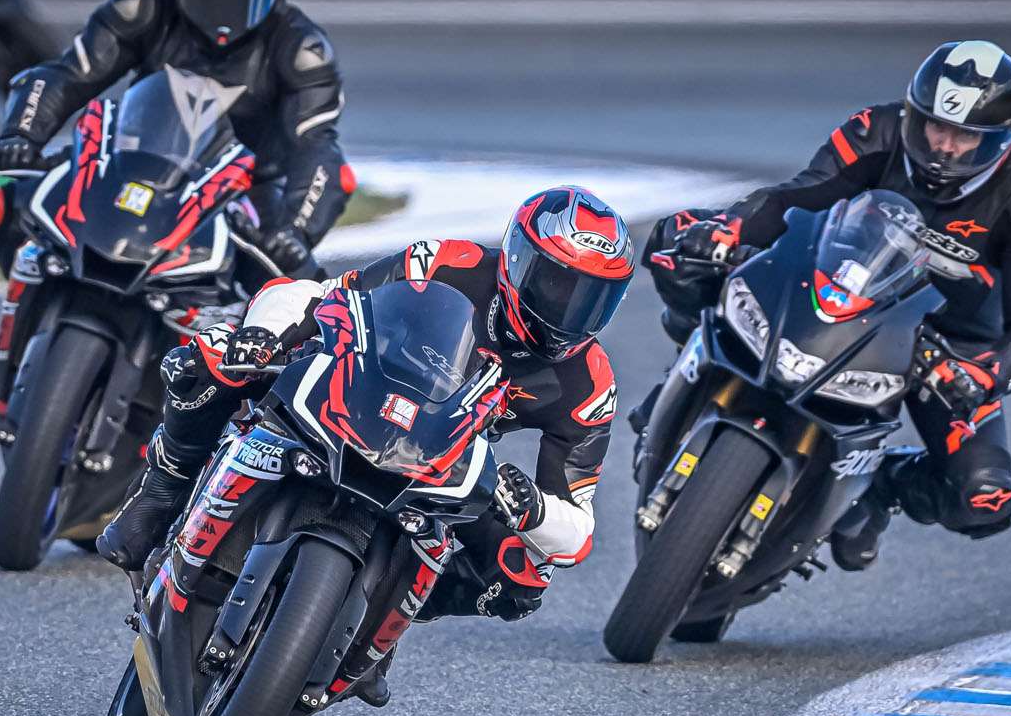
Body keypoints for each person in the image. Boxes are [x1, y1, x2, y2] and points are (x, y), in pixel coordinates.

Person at [98, 186, 632, 640]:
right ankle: (159, 493)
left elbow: (577, 527)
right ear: (517, 260)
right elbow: (321, 295)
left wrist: (532, 509)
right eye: (559, 284)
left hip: (447, 451)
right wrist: (264, 339)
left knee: (524, 577)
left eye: (595, 298)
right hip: (357, 390)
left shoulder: (588, 382)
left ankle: (373, 619)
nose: (571, 311)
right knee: (211, 359)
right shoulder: (448, 262)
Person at [641, 40, 1011, 569]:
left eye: (965, 136)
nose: (944, 147)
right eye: (935, 126)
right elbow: (797, 197)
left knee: (985, 497)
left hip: (945, 347)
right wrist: (728, 229)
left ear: (999, 140)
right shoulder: (875, 130)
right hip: (840, 286)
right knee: (677, 245)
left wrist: (986, 374)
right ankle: (684, 372)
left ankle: (883, 486)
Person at [0, 0, 352, 376]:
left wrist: (297, 229)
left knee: (298, 287)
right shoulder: (142, 7)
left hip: (241, 192)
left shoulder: (301, 48)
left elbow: (317, 149)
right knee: (9, 207)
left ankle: (246, 394)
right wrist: (22, 135)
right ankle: (23, 322)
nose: (225, 9)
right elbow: (68, 75)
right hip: (132, 160)